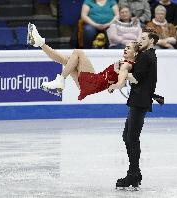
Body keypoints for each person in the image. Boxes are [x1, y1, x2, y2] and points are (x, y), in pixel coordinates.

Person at [27, 23, 140, 100]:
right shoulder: (126, 64)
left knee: (78, 52)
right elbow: (128, 77)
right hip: (91, 86)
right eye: (126, 46)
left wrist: (115, 86)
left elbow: (122, 80)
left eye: (129, 48)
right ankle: (40, 43)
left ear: (135, 54)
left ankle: (60, 80)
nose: (125, 49)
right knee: (67, 61)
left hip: (93, 82)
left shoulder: (125, 65)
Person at [113, 29, 159, 188]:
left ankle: (133, 174)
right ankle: (135, 172)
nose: (140, 40)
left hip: (139, 101)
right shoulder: (149, 55)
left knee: (131, 137)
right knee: (127, 136)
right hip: (140, 100)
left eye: (143, 38)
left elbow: (135, 80)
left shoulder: (146, 56)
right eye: (140, 37)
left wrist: (121, 72)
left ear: (152, 41)